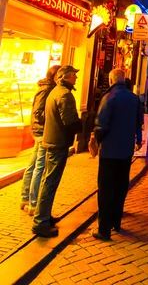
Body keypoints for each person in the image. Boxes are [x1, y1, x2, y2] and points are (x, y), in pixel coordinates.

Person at [91, 68, 143, 241]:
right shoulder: (134, 98)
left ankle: (104, 229)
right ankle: (116, 220)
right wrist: (138, 141)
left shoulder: (109, 98)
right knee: (121, 185)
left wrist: (96, 140)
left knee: (106, 188)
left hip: (110, 150)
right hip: (126, 149)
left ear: (112, 80)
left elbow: (101, 124)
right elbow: (139, 122)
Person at [32, 65, 82, 238]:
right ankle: (41, 222)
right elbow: (69, 120)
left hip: (51, 140)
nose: (76, 78)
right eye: (73, 75)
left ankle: (44, 215)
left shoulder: (56, 91)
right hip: (57, 142)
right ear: (66, 77)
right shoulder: (64, 95)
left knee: (48, 180)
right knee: (50, 182)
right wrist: (81, 126)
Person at [20, 65, 60, 215]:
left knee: (33, 164)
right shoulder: (47, 90)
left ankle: (25, 198)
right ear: (55, 76)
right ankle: (34, 203)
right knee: (40, 166)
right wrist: (52, 120)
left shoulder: (47, 88)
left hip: (39, 130)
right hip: (42, 131)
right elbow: (38, 112)